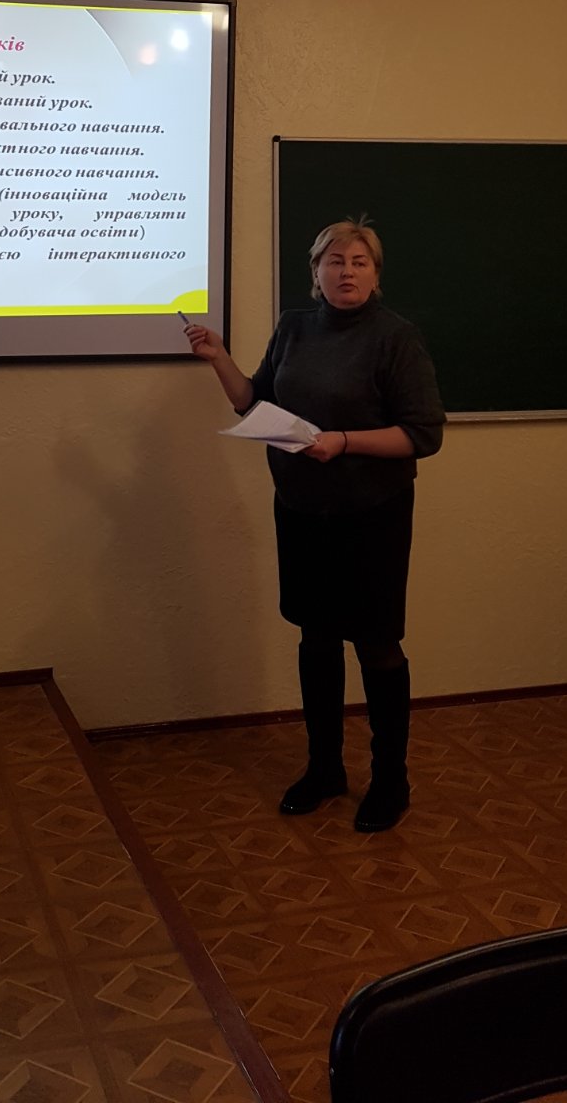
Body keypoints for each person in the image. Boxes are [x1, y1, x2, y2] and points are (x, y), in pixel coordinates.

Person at [186, 218, 444, 833]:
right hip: (301, 510)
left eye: (359, 262)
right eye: (334, 261)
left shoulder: (395, 338)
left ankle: (391, 782)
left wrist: (344, 441)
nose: (346, 272)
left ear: (375, 275)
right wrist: (218, 357)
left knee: (376, 645)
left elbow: (423, 434)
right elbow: (255, 402)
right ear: (316, 272)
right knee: (317, 639)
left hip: (372, 517)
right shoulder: (294, 327)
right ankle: (325, 769)